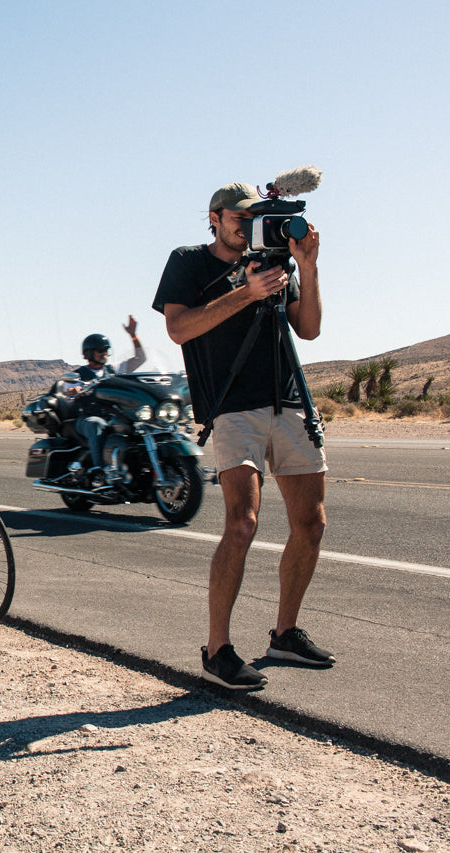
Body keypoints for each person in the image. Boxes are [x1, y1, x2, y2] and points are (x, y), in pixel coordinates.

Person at [152, 180, 331, 690]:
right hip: (233, 407)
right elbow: (179, 328)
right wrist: (247, 293)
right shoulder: (188, 261)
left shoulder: (275, 261)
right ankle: (217, 650)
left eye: (254, 216)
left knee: (311, 523)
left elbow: (309, 329)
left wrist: (308, 267)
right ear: (215, 218)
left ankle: (286, 634)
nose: (247, 225)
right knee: (242, 523)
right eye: (238, 217)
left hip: (288, 401)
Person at [64, 317, 148, 483]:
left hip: (112, 416)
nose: (104, 353)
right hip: (87, 419)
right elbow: (68, 390)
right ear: (89, 353)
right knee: (97, 424)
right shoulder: (78, 374)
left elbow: (140, 359)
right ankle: (99, 471)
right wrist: (74, 389)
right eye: (100, 350)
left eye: (106, 350)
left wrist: (133, 335)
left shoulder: (114, 369)